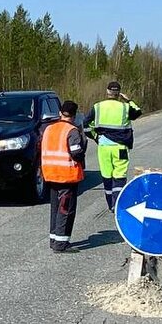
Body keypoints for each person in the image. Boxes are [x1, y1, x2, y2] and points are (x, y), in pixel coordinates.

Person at [82, 81, 142, 211]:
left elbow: (85, 124)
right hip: (120, 147)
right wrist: (129, 100)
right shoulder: (125, 107)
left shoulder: (98, 107)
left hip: (103, 147)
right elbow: (138, 112)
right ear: (119, 93)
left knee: (107, 176)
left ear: (107, 92)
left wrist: (95, 136)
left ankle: (111, 204)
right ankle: (118, 203)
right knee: (119, 176)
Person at [41, 99, 87, 252]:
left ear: (60, 113)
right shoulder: (72, 131)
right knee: (66, 209)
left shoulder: (48, 129)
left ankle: (54, 239)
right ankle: (61, 244)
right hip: (66, 175)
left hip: (50, 174)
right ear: (74, 116)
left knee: (55, 208)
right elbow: (76, 153)